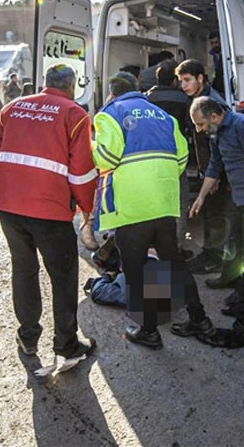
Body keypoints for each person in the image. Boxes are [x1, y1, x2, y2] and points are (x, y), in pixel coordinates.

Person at [0, 63, 97, 371]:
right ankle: (66, 345)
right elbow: (81, 173)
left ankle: (28, 337)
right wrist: (86, 209)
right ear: (72, 86)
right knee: (62, 278)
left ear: (44, 83)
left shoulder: (11, 108)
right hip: (50, 210)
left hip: (9, 207)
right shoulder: (75, 114)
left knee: (23, 270)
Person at [92, 71, 212, 350]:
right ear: (139, 91)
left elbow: (106, 158)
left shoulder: (109, 114)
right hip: (164, 204)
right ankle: (199, 319)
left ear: (112, 93)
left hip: (133, 207)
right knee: (174, 264)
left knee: (133, 271)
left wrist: (91, 148)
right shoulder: (162, 116)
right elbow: (182, 158)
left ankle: (148, 331)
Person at [189, 96, 244, 306]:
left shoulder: (243, 126)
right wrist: (201, 197)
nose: (200, 130)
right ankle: (229, 278)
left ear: (214, 116)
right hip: (239, 195)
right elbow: (214, 165)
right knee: (232, 238)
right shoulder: (216, 132)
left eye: (200, 124)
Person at [177, 59, 230, 277]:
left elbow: (218, 144)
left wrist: (214, 175)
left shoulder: (211, 104)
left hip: (216, 170)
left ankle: (214, 259)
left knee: (215, 214)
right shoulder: (197, 99)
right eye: (181, 81)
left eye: (187, 80)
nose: (183, 85)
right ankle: (210, 255)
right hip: (207, 168)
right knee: (209, 213)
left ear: (200, 78)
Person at [146, 58, 191, 250]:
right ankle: (177, 246)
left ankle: (153, 245)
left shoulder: (145, 98)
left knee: (153, 202)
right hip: (175, 159)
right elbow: (192, 130)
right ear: (175, 80)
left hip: (149, 160)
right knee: (179, 204)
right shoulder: (184, 99)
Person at [208, 31, 225, 97]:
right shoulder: (210, 55)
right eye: (212, 43)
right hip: (215, 87)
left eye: (216, 42)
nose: (214, 45)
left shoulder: (226, 54)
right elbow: (211, 72)